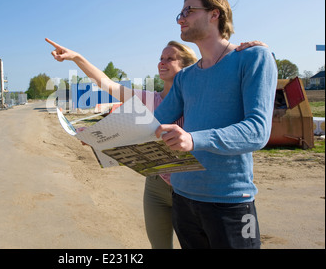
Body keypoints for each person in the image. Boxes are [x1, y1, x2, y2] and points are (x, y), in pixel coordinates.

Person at [45, 37, 267, 248]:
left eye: (170, 58)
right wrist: (76, 58)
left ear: (188, 66)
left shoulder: (201, 100)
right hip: (157, 183)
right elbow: (107, 84)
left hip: (190, 185)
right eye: (161, 58)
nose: (162, 62)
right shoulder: (149, 99)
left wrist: (254, 49)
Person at [154, 0, 278, 249]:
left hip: (230, 203)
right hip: (183, 199)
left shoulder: (254, 58)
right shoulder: (185, 77)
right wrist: (103, 136)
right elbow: (153, 124)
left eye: (189, 11)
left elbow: (257, 131)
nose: (181, 19)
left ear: (214, 14)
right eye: (180, 13)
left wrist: (193, 139)